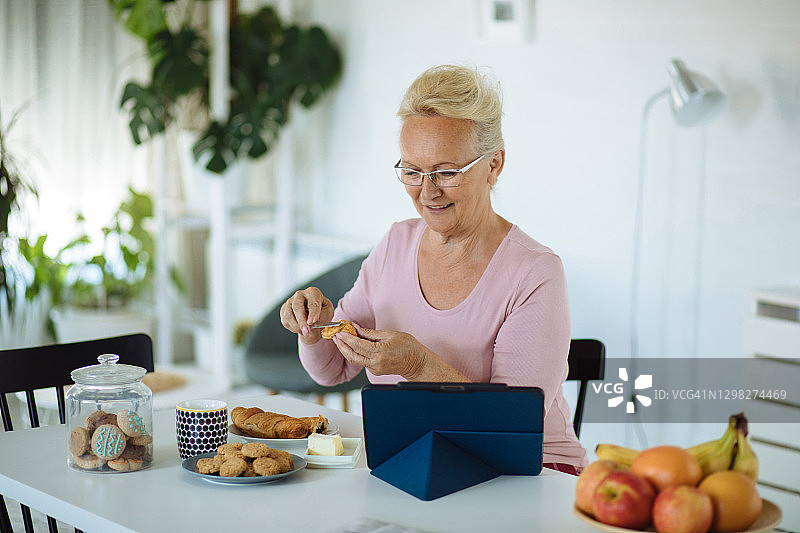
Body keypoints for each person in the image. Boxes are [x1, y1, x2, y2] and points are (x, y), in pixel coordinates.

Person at [280, 64, 587, 472]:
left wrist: (418, 366)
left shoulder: (535, 273)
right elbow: (332, 369)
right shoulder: (395, 243)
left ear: (494, 164)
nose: (427, 191)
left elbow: (512, 425)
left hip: (529, 472)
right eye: (412, 171)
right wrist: (314, 328)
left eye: (445, 172)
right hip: (414, 461)